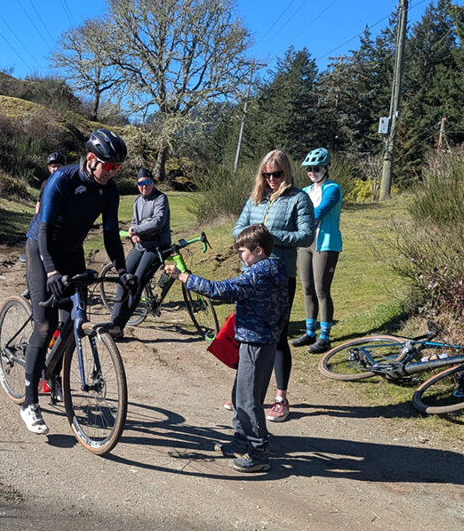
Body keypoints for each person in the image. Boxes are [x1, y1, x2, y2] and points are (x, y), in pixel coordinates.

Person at [19, 129, 136, 435]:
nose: (112, 173)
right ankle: (29, 402)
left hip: (72, 251)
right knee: (44, 326)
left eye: (117, 169)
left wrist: (122, 271)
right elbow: (43, 232)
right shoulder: (63, 180)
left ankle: (53, 373)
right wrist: (50, 272)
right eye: (108, 167)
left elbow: (111, 234)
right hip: (42, 249)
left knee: (73, 321)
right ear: (91, 159)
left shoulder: (109, 191)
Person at [164, 224, 288, 473]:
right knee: (239, 395)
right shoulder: (276, 267)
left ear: (259, 250)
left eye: (243, 251)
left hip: (256, 342)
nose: (240, 256)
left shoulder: (258, 274)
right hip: (260, 340)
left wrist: (183, 277)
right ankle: (241, 439)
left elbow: (221, 290)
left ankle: (258, 451)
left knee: (247, 400)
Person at [232, 150, 314, 423]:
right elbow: (237, 229)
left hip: (279, 278)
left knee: (276, 337)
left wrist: (269, 238)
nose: (271, 180)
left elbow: (305, 236)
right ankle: (244, 395)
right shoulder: (256, 198)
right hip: (249, 277)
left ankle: (281, 397)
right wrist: (249, 238)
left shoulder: (298, 199)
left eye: (276, 174)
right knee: (246, 334)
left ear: (286, 173)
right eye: (266, 174)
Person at [107, 167, 171, 337]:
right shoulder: (138, 200)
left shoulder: (160, 199)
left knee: (136, 282)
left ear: (152, 182)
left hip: (157, 246)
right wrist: (134, 234)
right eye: (141, 184)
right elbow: (134, 221)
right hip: (141, 245)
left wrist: (136, 229)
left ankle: (119, 326)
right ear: (137, 186)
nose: (145, 187)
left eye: (147, 182)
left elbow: (157, 222)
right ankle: (114, 319)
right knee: (124, 277)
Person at [291, 147, 343, 354]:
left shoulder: (333, 188)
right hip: (306, 243)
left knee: (322, 290)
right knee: (307, 288)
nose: (312, 172)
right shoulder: (305, 191)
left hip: (326, 243)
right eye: (308, 169)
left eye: (316, 168)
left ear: (325, 168)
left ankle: (325, 337)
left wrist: (300, 218)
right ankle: (310, 331)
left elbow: (318, 211)